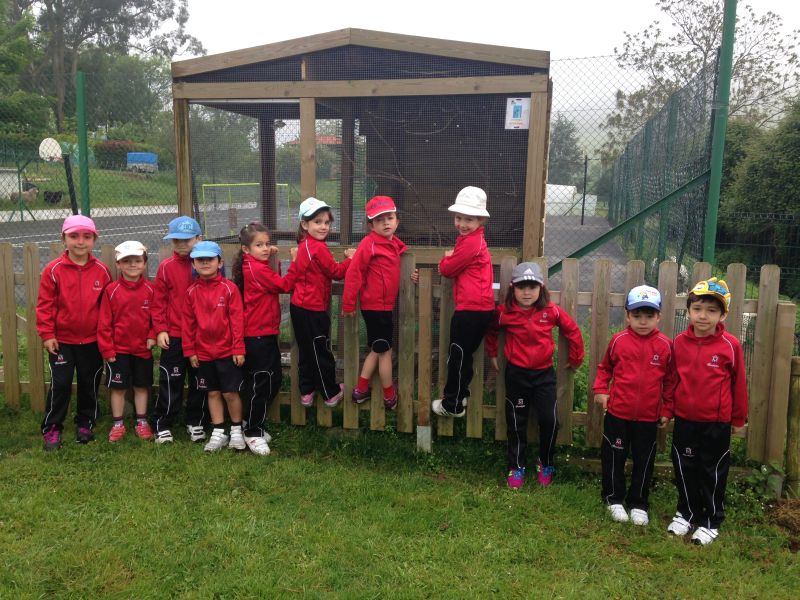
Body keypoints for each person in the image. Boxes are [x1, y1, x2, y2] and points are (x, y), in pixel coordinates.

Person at [660, 278, 748, 545]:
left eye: (711, 310)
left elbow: (738, 384)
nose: (703, 316)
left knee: (713, 470)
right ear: (688, 311)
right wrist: (668, 409)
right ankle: (686, 513)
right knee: (684, 467)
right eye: (697, 309)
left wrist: (738, 418)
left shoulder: (730, 345)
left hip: (716, 423)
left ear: (723, 315)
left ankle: (711, 519)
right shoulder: (678, 343)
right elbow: (672, 380)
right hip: (685, 420)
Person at [485, 262, 584, 488]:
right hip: (517, 375)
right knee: (516, 422)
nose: (527, 292)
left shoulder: (551, 311)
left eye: (532, 287)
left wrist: (576, 357)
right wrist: (492, 354)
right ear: (513, 288)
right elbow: (491, 330)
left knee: (550, 420)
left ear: (541, 288)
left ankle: (545, 462)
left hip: (543, 376)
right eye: (521, 287)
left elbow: (572, 330)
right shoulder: (505, 312)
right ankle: (516, 467)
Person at [593, 285, 673, 525]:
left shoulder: (666, 345)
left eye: (649, 315)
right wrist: (601, 390)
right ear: (628, 316)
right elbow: (605, 368)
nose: (643, 321)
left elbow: (671, 381)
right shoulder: (618, 341)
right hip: (618, 414)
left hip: (648, 418)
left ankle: (639, 503)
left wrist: (667, 409)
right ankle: (613, 499)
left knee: (644, 460)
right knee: (614, 457)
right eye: (637, 315)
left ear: (658, 317)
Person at [37, 215, 112, 449]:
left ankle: (85, 423)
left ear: (94, 240)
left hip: (91, 341)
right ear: (64, 239)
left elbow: (107, 309)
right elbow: (45, 305)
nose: (80, 242)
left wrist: (105, 337)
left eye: (86, 237)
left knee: (89, 383)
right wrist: (48, 334)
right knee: (60, 384)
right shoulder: (53, 270)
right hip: (62, 342)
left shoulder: (102, 271)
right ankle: (52, 427)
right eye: (74, 236)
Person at [342, 196, 417, 410]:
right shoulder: (369, 244)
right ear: (371, 225)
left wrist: (412, 276)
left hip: (383, 307)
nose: (385, 223)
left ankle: (361, 389)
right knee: (385, 352)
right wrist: (348, 304)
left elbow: (395, 268)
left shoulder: (394, 245)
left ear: (397, 221)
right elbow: (354, 273)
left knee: (377, 348)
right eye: (379, 220)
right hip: (375, 307)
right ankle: (389, 395)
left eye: (389, 218)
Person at [231, 223, 296, 455]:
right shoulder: (256, 269)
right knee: (262, 382)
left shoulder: (255, 266)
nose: (266, 248)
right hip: (257, 335)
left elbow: (270, 281)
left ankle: (250, 422)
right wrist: (295, 261)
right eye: (259, 245)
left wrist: (272, 260)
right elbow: (284, 285)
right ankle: (253, 431)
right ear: (246, 249)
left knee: (273, 379)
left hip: (265, 333)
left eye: (267, 244)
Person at [432, 186, 496, 418]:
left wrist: (444, 260)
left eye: (469, 219)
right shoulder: (472, 240)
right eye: (459, 218)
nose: (462, 224)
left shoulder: (471, 243)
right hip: (478, 308)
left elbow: (448, 270)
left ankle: (452, 405)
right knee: (464, 354)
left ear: (481, 220)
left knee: (457, 354)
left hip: (471, 309)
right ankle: (461, 393)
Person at [290, 197, 355, 408]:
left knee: (306, 351)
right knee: (320, 351)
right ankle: (330, 394)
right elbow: (336, 272)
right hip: (312, 309)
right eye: (317, 222)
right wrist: (350, 259)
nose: (324, 226)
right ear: (304, 224)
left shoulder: (304, 245)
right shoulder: (317, 247)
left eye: (327, 222)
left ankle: (306, 392)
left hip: (300, 306)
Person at [182, 241, 246, 452]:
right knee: (212, 393)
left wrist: (238, 348)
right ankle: (218, 431)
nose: (205, 263)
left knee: (230, 393)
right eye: (200, 259)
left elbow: (237, 321)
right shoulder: (191, 292)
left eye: (209, 259)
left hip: (227, 353)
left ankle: (236, 429)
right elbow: (188, 324)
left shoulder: (229, 289)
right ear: (193, 264)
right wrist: (190, 350)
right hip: (203, 354)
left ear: (219, 262)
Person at [150, 216, 208, 444]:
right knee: (170, 379)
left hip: (202, 336)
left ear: (199, 238)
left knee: (200, 381)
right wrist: (160, 329)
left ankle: (196, 421)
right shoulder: (166, 267)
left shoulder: (207, 263)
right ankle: (163, 423)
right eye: (177, 240)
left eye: (187, 239)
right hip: (174, 335)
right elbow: (158, 302)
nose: (182, 244)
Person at [97, 241, 157, 442]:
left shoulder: (151, 290)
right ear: (118, 264)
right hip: (118, 351)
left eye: (137, 260)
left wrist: (152, 335)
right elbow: (104, 323)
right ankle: (117, 424)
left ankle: (142, 422)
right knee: (118, 388)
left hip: (142, 350)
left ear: (145, 263)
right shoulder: (111, 290)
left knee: (141, 387)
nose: (132, 265)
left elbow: (157, 318)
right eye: (126, 261)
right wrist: (107, 349)